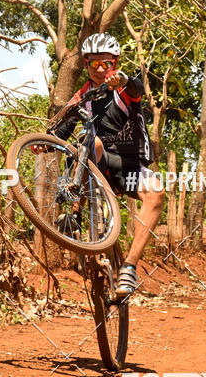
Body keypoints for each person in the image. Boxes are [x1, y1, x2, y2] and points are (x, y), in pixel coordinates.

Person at [50, 33, 164, 298]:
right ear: (87, 65)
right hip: (95, 161)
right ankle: (74, 212)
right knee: (94, 142)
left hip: (128, 166)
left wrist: (122, 79)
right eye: (94, 65)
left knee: (156, 192)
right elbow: (62, 129)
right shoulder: (82, 95)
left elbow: (136, 88)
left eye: (106, 65)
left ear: (115, 63)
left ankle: (129, 269)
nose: (101, 71)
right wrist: (44, 142)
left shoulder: (124, 87)